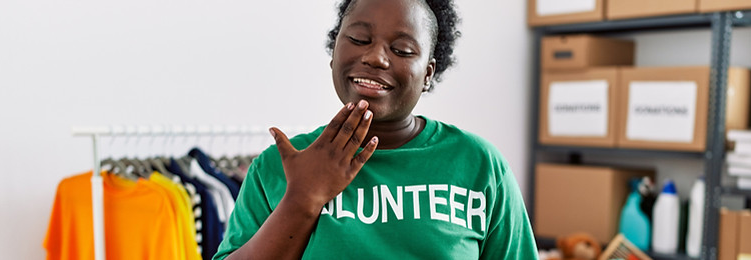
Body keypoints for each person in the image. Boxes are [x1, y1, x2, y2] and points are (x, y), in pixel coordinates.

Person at [214, 0, 537, 259]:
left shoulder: (479, 165)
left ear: (427, 74)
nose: (376, 58)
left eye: (402, 50)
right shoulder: (278, 166)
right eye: (359, 40)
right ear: (334, 52)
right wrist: (302, 199)